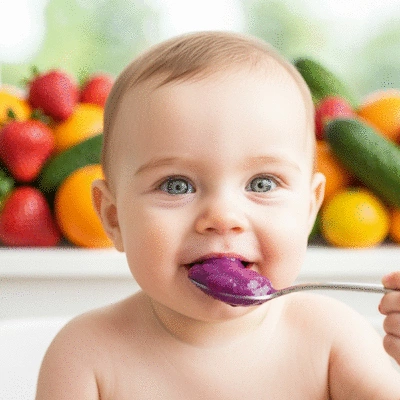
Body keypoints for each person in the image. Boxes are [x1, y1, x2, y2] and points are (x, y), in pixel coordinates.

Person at [36, 31, 400, 399]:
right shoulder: (84, 356)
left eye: (261, 183)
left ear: (309, 208)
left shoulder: (334, 339)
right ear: (114, 219)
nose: (223, 216)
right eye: (176, 185)